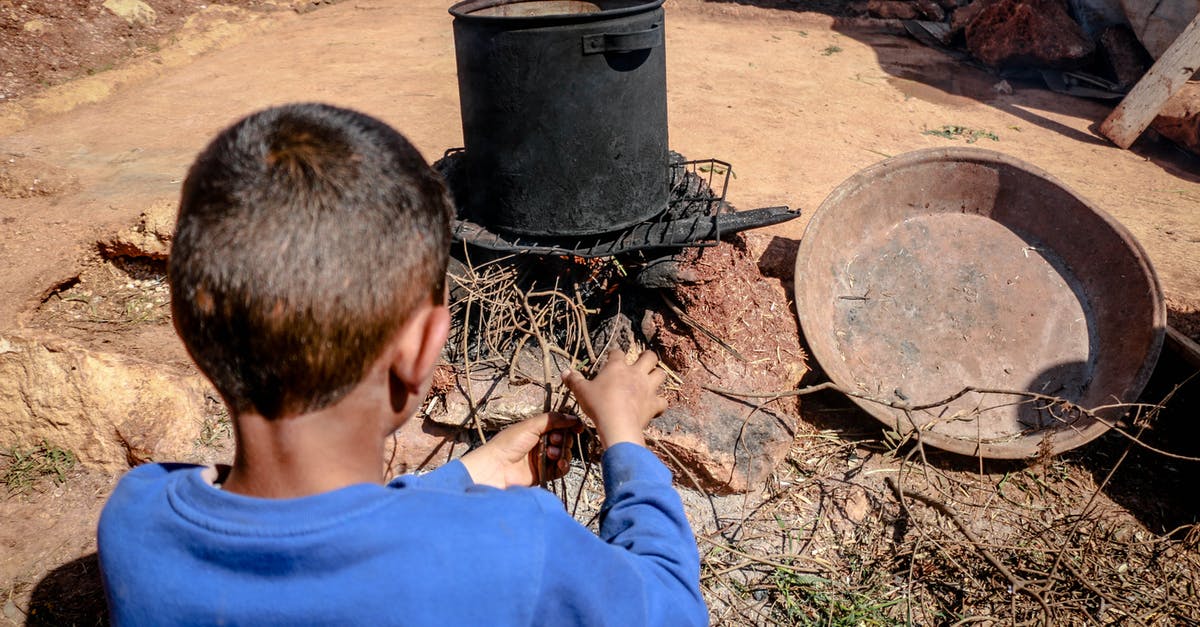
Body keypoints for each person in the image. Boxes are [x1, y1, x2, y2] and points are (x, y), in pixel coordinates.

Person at [96, 102, 708, 626]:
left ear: (189, 328)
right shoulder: (520, 547)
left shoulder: (137, 518)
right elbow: (672, 609)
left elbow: (327, 541)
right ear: (420, 352)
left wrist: (470, 475)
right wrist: (627, 441)